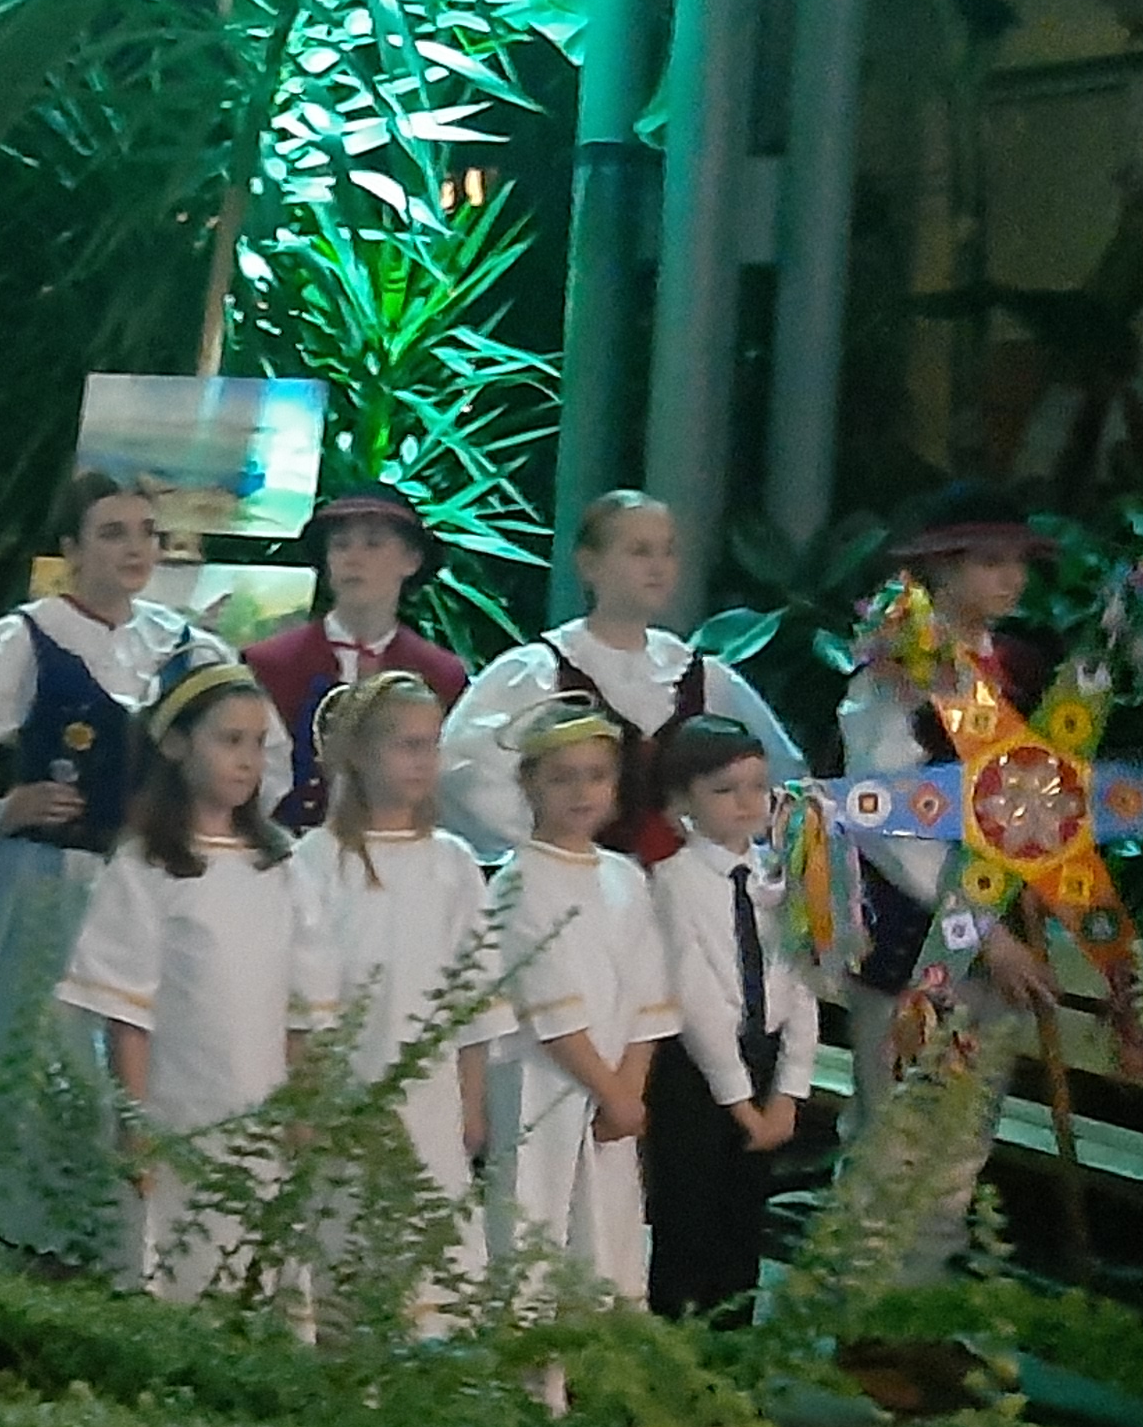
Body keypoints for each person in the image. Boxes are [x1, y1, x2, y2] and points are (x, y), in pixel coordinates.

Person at [0, 477, 278, 1231]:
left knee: (143, 1062)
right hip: (50, 887)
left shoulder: (186, 647)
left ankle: (131, 1232)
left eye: (146, 532)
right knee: (29, 1055)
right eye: (112, 532)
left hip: (163, 889)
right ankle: (7, 1237)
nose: (135, 548)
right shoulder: (27, 640)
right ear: (71, 549)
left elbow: (265, 754)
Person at [836, 486, 1064, 1283]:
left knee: (959, 1147)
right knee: (893, 1142)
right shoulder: (894, 672)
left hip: (996, 947)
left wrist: (1040, 881)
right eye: (991, 561)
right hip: (911, 942)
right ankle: (863, 1322)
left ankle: (920, 1312)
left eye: (1018, 563)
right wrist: (986, 932)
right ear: (940, 567)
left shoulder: (1019, 672)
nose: (1011, 579)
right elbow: (886, 821)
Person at [56, 659, 301, 1300]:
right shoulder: (146, 867)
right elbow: (126, 1013)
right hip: (179, 1110)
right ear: (175, 745)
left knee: (259, 1266)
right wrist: (136, 1122)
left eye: (257, 743)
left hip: (265, 1112)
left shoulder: (279, 865)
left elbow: (304, 1004)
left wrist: (304, 1103)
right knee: (180, 1262)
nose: (247, 761)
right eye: (229, 740)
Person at [287, 670, 505, 1334]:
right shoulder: (314, 862)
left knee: (430, 1270)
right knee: (342, 1257)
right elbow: (299, 1002)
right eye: (406, 745)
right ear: (358, 754)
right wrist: (306, 1102)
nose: (423, 761)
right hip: (343, 1098)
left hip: (431, 1102)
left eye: (431, 744)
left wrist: (472, 1103)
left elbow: (475, 996)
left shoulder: (454, 864)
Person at [441, 492, 799, 865]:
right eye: (640, 552)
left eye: (668, 552)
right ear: (589, 564)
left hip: (692, 888)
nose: (658, 567)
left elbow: (782, 777)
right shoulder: (538, 671)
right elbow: (463, 776)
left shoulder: (703, 676)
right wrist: (552, 845)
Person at [486, 696, 679, 1307]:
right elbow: (549, 1004)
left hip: (614, 1092)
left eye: (595, 776)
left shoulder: (626, 876)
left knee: (610, 1235)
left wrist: (630, 1091)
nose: (581, 792)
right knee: (536, 1224)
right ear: (529, 784)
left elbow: (649, 991)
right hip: (544, 1085)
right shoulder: (518, 882)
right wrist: (612, 1092)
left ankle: (602, 1351)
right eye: (562, 778)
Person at [643, 716, 824, 1320]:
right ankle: (677, 1351)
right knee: (688, 1220)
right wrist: (742, 1105)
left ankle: (735, 1347)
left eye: (757, 787)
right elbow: (694, 1000)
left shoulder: (782, 874)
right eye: (724, 790)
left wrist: (789, 1093)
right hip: (697, 1073)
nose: (747, 802)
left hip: (764, 1065)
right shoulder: (673, 882)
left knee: (744, 1223)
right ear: (682, 802)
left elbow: (800, 982)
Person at [242, 488, 472, 828]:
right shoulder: (268, 665)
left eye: (373, 544)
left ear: (411, 560)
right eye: (340, 545)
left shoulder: (441, 675)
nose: (353, 558)